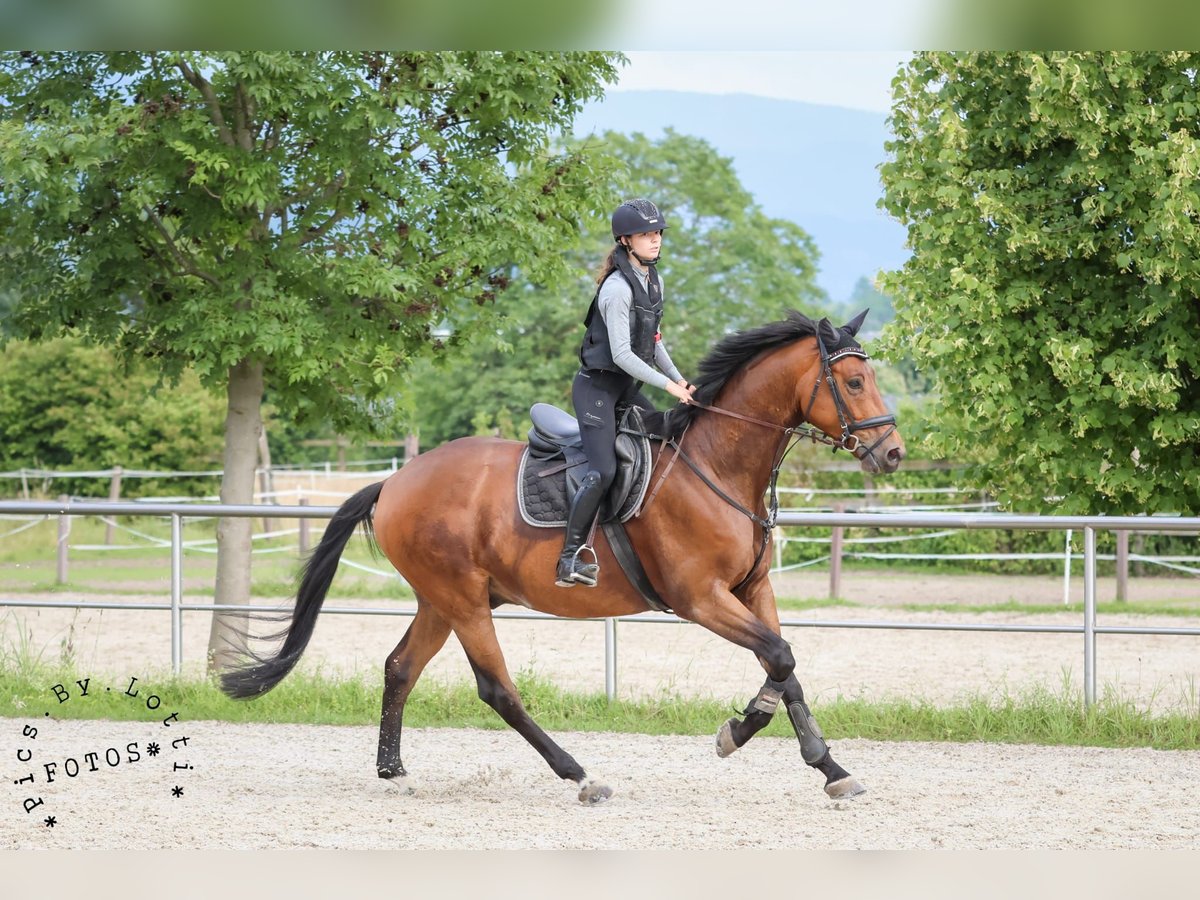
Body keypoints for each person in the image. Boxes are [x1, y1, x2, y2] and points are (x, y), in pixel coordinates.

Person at [555, 198, 696, 588]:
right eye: (646, 234)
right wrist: (667, 386)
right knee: (602, 471)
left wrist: (680, 380)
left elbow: (653, 342)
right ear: (625, 240)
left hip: (626, 388)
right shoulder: (616, 289)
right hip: (597, 390)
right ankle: (568, 558)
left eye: (657, 233)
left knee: (665, 443)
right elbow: (621, 354)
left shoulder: (654, 281)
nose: (655, 240)